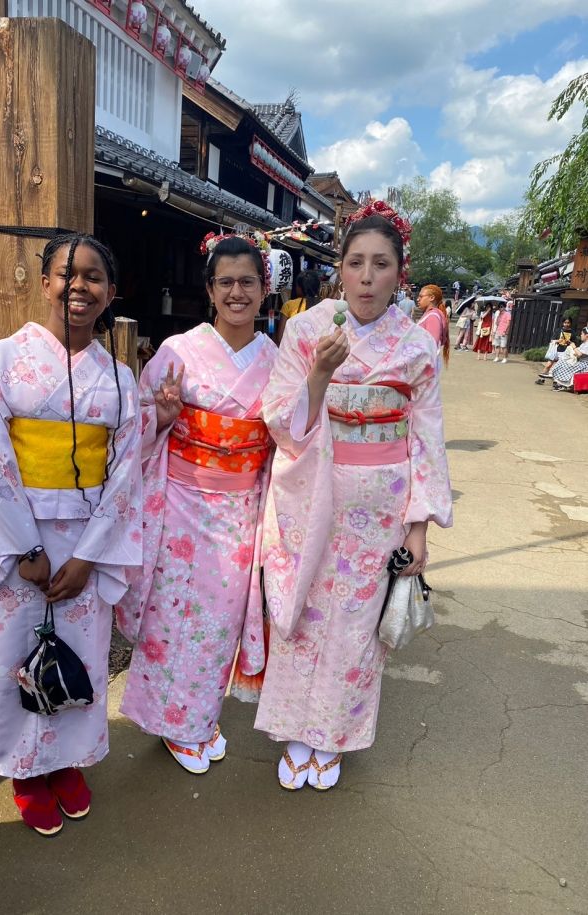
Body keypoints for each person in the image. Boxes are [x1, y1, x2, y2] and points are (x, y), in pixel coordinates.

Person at [255, 199, 452, 790]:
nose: (367, 277)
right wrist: (319, 374)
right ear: (339, 267)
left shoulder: (415, 346)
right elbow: (278, 422)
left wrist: (418, 526)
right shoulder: (308, 329)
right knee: (305, 610)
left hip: (382, 500)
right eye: (357, 263)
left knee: (358, 620)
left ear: (400, 272)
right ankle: (295, 728)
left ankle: (334, 736)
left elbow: (426, 436)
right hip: (314, 490)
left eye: (381, 264)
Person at [0, 234, 142, 837]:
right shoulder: (3, 360)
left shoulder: (118, 379)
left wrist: (88, 557)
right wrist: (25, 549)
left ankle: (65, 762)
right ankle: (24, 772)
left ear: (111, 293)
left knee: (78, 656)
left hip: (87, 540)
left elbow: (125, 472)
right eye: (66, 274)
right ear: (44, 284)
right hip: (14, 540)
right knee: (11, 654)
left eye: (92, 277)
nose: (78, 287)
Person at [117, 234, 278, 774]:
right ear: (210, 289)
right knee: (171, 615)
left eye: (247, 282)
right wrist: (161, 418)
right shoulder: (177, 351)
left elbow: (289, 440)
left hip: (242, 508)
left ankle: (196, 719)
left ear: (264, 289)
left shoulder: (279, 362)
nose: (237, 292)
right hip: (181, 501)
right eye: (226, 282)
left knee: (219, 620)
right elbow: (135, 424)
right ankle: (173, 724)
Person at [276, 270, 321, 344]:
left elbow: (280, 337)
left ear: (299, 287)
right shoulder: (322, 306)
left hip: (292, 352)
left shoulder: (289, 305)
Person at [417, 284, 450, 365]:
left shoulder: (433, 317)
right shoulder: (430, 315)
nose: (418, 299)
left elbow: (432, 344)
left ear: (432, 298)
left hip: (424, 364)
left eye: (421, 297)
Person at [535, 317, 574, 384]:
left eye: (568, 323)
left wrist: (570, 342)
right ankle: (541, 379)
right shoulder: (558, 330)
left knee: (558, 367)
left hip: (565, 352)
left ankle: (556, 382)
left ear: (570, 323)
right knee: (548, 365)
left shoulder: (572, 332)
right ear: (563, 323)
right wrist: (558, 341)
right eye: (565, 322)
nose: (566, 324)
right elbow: (552, 340)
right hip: (556, 350)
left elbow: (574, 343)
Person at [549, 326, 588, 391]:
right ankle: (557, 380)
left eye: (582, 334)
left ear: (586, 335)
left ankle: (557, 379)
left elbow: (580, 354)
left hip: (584, 365)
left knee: (563, 363)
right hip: (581, 363)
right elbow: (579, 354)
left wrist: (574, 347)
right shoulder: (584, 344)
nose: (581, 335)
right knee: (563, 361)